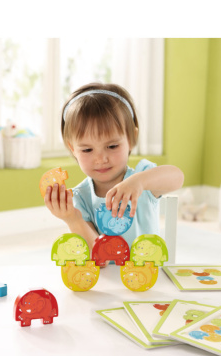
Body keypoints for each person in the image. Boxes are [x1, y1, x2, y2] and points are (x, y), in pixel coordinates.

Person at [44, 82, 185, 255]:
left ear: (131, 138)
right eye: (87, 150)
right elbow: (98, 256)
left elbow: (177, 177)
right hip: (107, 273)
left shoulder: (143, 178)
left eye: (112, 146)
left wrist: (140, 182)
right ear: (73, 148)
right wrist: (73, 219)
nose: (100, 159)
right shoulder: (80, 198)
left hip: (146, 271)